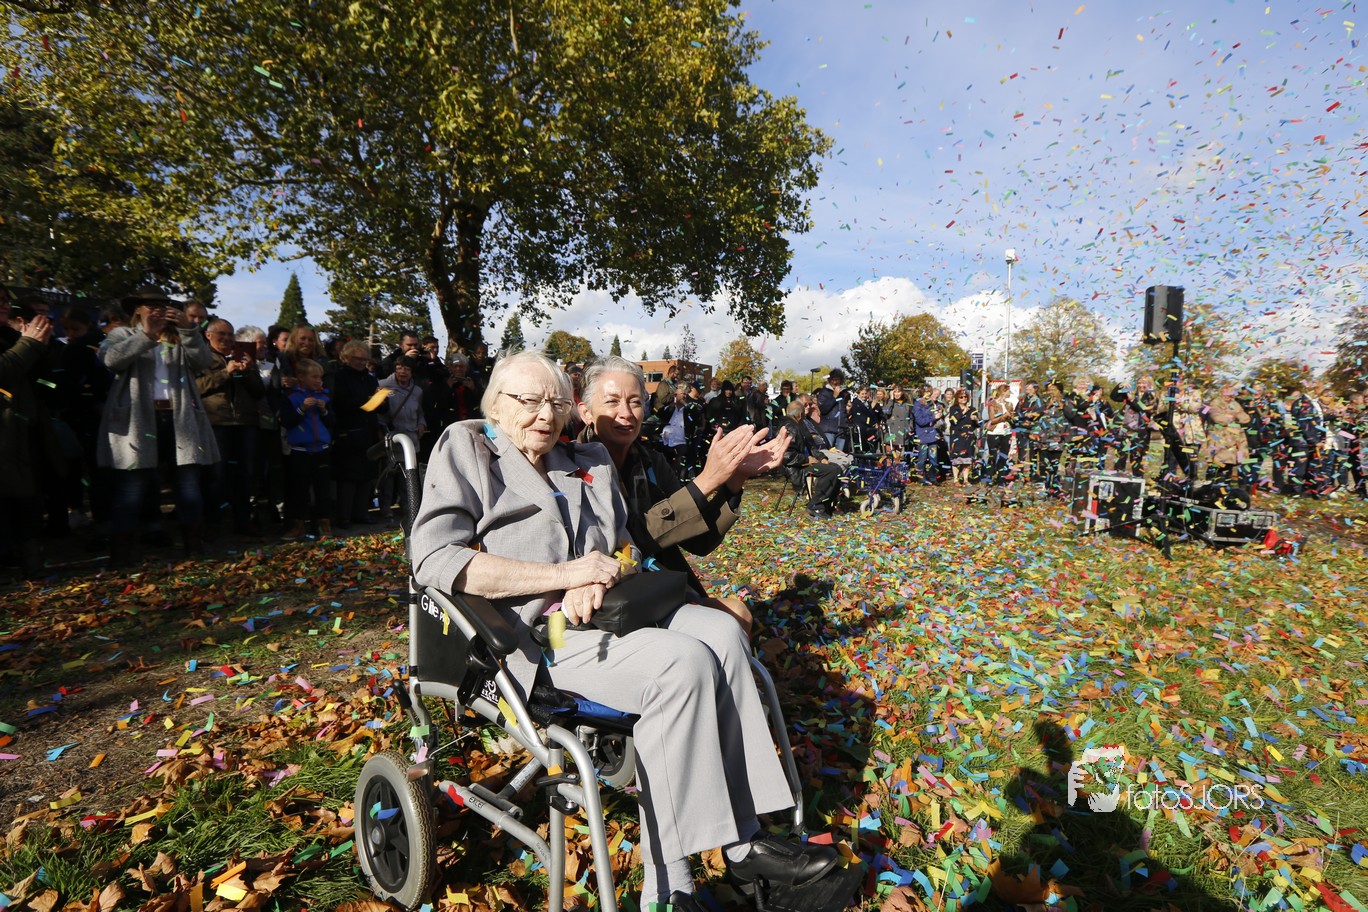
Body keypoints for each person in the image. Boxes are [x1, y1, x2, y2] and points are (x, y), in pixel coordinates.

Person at [410, 351, 837, 911]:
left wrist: (604, 569)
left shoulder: (584, 460)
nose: (545, 415)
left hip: (612, 608)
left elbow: (630, 546)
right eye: (529, 401)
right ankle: (669, 886)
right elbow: (435, 559)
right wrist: (566, 577)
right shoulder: (469, 449)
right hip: (542, 631)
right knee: (683, 664)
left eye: (555, 402)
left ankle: (743, 840)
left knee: (723, 633)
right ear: (495, 403)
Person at [576, 355, 786, 631]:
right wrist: (705, 481)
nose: (626, 413)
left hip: (659, 585)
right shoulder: (572, 468)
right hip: (613, 601)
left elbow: (698, 542)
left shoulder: (651, 462)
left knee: (738, 614)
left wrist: (735, 479)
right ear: (586, 412)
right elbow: (630, 541)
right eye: (612, 402)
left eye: (635, 402)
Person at [97, 286, 219, 562]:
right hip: (137, 420)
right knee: (132, 487)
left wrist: (188, 330)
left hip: (179, 418)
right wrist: (146, 335)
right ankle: (122, 553)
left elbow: (203, 362)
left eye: (163, 306)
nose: (158, 311)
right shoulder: (121, 334)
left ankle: (193, 547)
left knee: (188, 484)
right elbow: (110, 360)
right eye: (151, 306)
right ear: (137, 310)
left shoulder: (178, 336)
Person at [0, 301, 60, 577]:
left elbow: (47, 379)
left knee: (29, 497)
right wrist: (29, 344)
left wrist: (43, 344)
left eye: (4, 299)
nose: (3, 304)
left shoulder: (12, 336)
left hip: (26, 429)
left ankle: (31, 562)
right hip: (6, 434)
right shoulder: (21, 341)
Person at [197, 318, 267, 536]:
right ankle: (212, 522)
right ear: (208, 335)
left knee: (245, 474)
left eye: (230, 334)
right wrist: (225, 372)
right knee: (215, 475)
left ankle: (243, 521)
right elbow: (198, 387)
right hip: (217, 422)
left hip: (246, 422)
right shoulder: (201, 357)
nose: (227, 338)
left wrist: (247, 372)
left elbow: (259, 392)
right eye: (222, 334)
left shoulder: (243, 355)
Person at [279, 359, 333, 538]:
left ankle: (324, 524)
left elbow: (333, 421)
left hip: (322, 449)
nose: (319, 381)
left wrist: (324, 411)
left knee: (322, 489)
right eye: (314, 377)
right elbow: (286, 421)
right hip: (300, 450)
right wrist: (301, 409)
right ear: (301, 377)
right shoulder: (291, 396)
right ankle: (298, 525)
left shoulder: (324, 395)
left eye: (320, 377)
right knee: (299, 489)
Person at [331, 339, 381, 528]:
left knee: (367, 476)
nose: (362, 362)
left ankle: (361, 512)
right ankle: (344, 516)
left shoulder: (370, 378)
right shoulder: (339, 376)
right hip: (348, 432)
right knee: (348, 477)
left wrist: (380, 399)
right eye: (357, 359)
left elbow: (379, 407)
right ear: (346, 358)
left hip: (368, 431)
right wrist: (367, 400)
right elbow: (341, 402)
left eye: (365, 359)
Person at [377, 355, 427, 523]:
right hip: (390, 436)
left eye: (406, 369)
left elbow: (420, 412)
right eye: (399, 368)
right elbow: (376, 412)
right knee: (389, 476)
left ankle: (408, 509)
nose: (403, 372)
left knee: (408, 475)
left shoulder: (417, 391)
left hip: (411, 437)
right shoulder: (382, 386)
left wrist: (421, 424)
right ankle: (386, 509)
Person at [1205, 383, 1251, 485]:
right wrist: (1234, 415)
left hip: (1234, 440)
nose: (1229, 397)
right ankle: (1212, 485)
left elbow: (1245, 418)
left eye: (1231, 394)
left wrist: (1231, 415)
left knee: (1230, 464)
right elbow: (1219, 419)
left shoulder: (1235, 403)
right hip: (1220, 439)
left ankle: (1226, 487)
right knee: (1218, 464)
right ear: (1221, 393)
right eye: (1226, 394)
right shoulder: (1215, 403)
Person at [984, 384, 1015, 485]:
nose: (1010, 393)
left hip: (1006, 433)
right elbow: (992, 420)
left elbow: (1013, 420)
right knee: (992, 456)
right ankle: (989, 477)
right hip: (994, 432)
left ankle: (1001, 478)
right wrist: (1004, 417)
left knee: (1003, 456)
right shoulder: (992, 403)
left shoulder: (1009, 404)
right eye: (1008, 391)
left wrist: (1012, 417)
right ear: (1003, 392)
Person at [946, 388, 978, 485]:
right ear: (957, 398)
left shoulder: (972, 409)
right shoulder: (953, 409)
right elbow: (953, 421)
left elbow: (977, 425)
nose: (964, 398)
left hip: (969, 437)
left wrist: (975, 419)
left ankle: (965, 479)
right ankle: (956, 479)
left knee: (967, 459)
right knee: (956, 458)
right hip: (957, 437)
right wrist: (963, 412)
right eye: (961, 397)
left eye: (965, 397)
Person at [815, 369, 849, 451]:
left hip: (842, 430)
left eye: (837, 379)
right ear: (829, 380)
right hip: (828, 430)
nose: (835, 382)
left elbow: (845, 411)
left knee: (840, 455)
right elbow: (823, 409)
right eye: (833, 380)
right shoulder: (824, 392)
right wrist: (834, 396)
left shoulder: (844, 393)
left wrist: (849, 409)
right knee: (828, 453)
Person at [910, 388, 939, 483]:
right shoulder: (917, 406)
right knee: (922, 458)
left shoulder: (931, 405)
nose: (929, 396)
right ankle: (921, 477)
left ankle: (933, 477)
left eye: (930, 394)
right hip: (921, 435)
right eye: (927, 394)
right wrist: (933, 417)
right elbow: (920, 421)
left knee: (933, 458)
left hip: (932, 435)